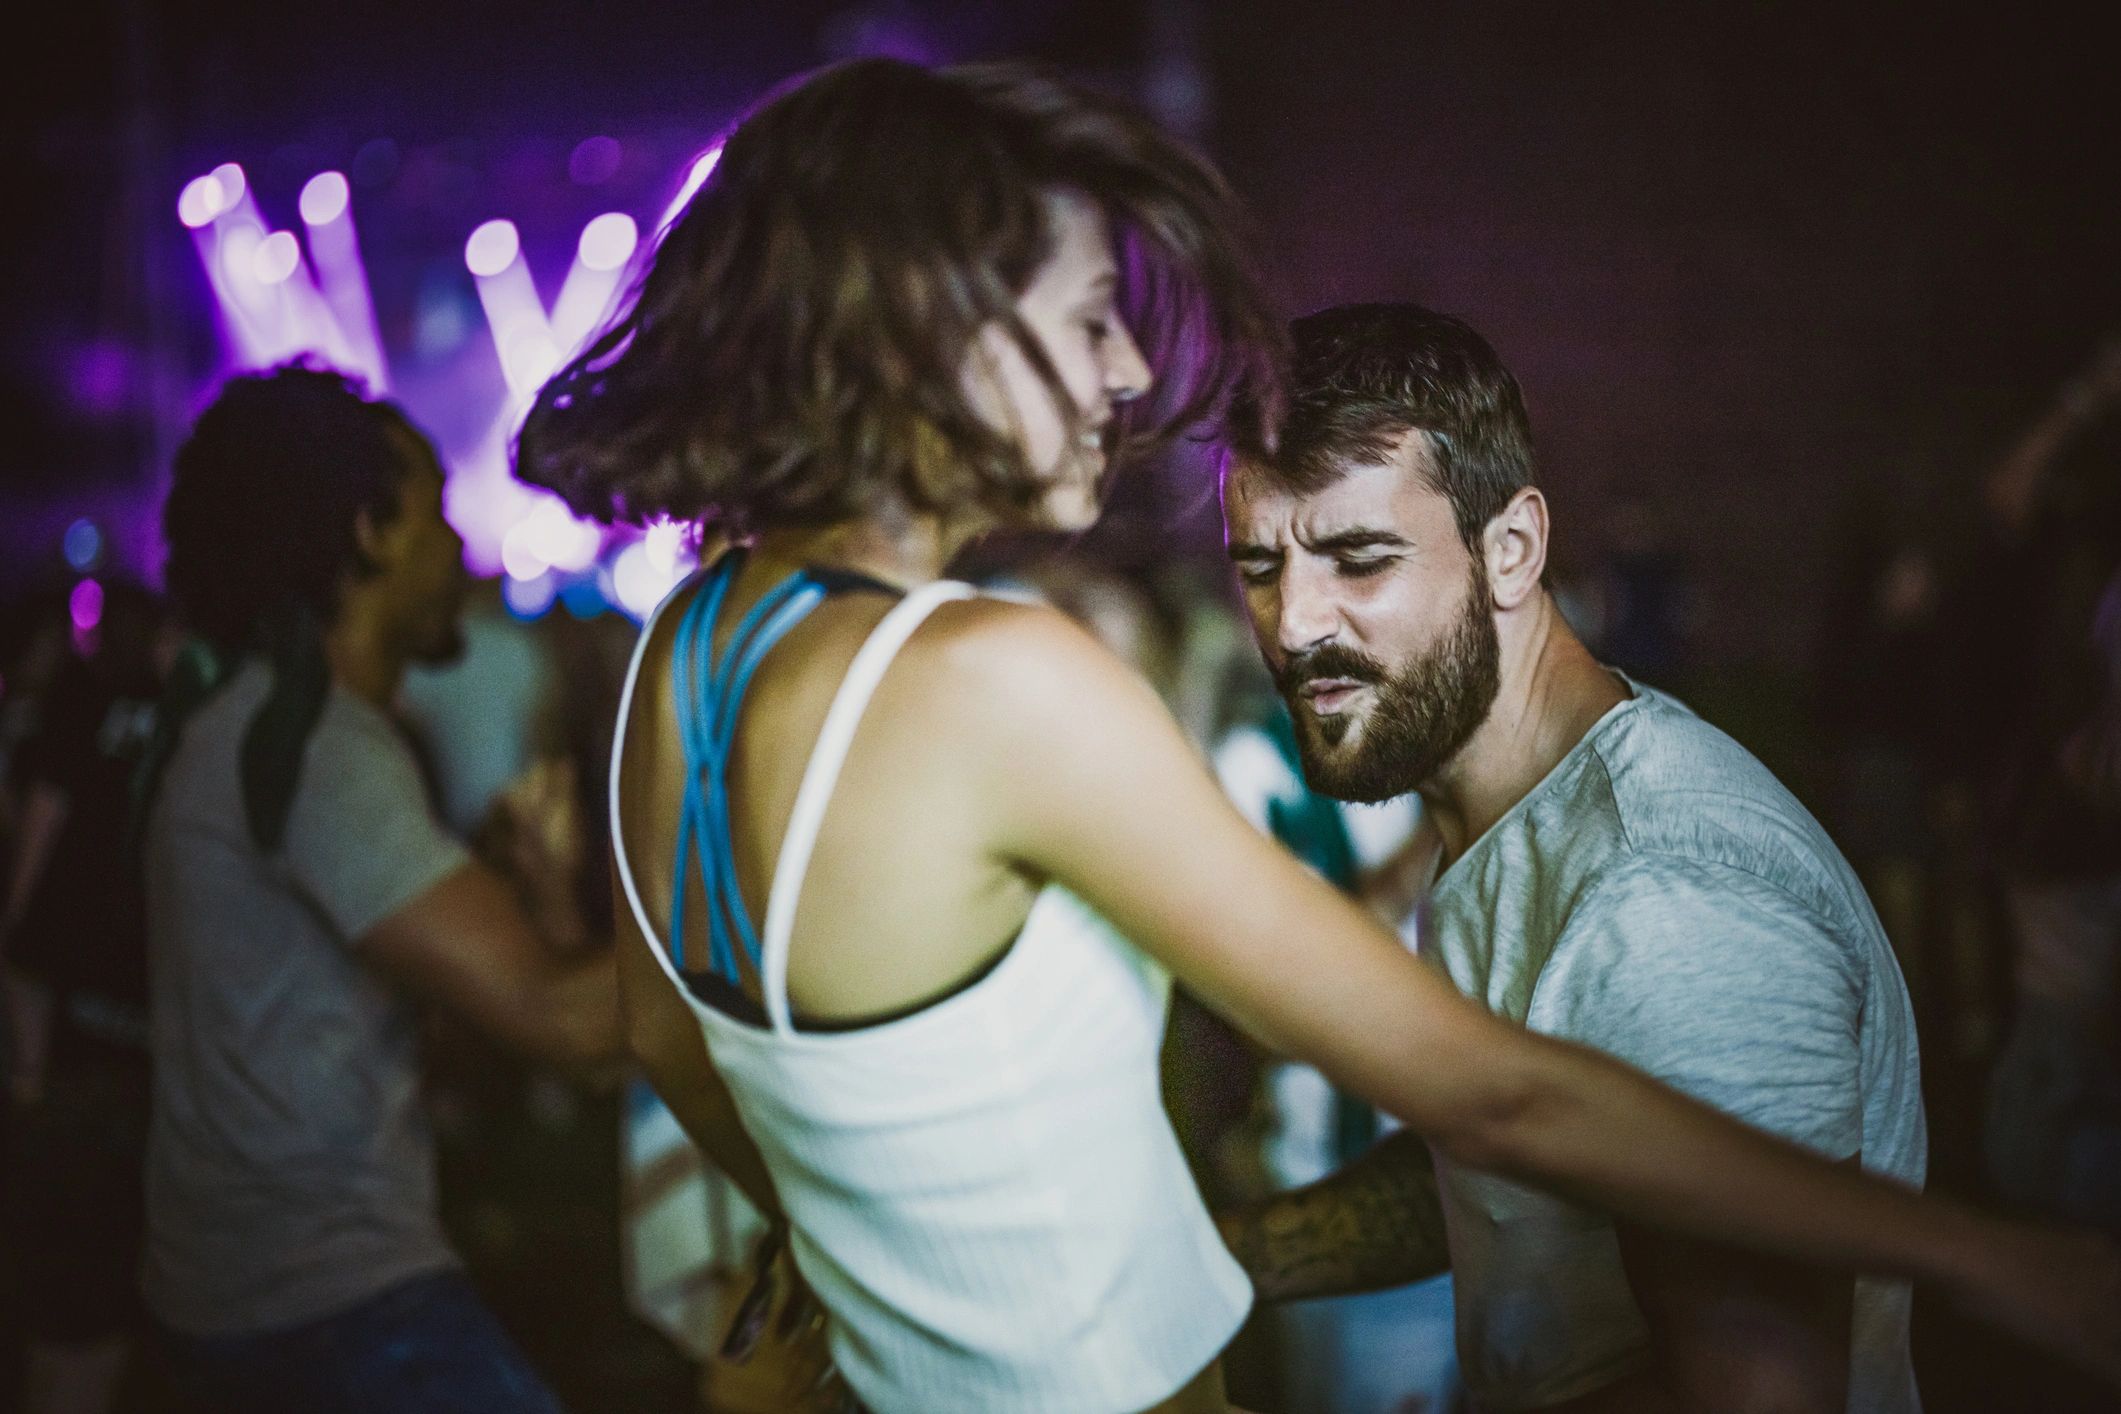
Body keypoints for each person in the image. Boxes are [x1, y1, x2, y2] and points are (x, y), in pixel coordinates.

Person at [517, 58, 2121, 1414]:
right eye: (1088, 319)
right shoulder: (995, 679)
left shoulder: (690, 650)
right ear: (933, 330)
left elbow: (669, 1043)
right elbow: (1493, 1098)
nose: (1125, 372)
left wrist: (868, 1230)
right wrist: (1991, 1252)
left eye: (1356, 559)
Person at [1213, 302, 1940, 1411]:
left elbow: (1758, 1393)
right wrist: (1221, 1260)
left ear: (1510, 550)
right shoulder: (1506, 811)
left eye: (1358, 559)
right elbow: (1517, 1178)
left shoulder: (1663, 898)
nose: (1294, 622)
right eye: (1260, 566)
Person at [141, 366, 623, 1412]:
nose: (463, 547)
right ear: (370, 534)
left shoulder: (264, 722)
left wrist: (526, 889)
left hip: (236, 1289)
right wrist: (755, 890)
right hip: (323, 1305)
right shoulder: (318, 748)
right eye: (438, 511)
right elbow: (574, 1024)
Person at [1, 581, 166, 1414]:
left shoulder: (76, 711)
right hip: (159, 1060)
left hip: (88, 1055)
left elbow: (31, 896)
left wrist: (29, 1074)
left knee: (80, 1327)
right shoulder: (207, 718)